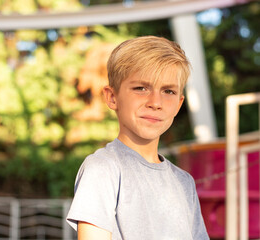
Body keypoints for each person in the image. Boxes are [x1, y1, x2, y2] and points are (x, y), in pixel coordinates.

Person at [66, 36, 209, 240]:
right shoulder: (103, 169)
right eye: (141, 88)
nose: (155, 102)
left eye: (168, 91)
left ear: (178, 104)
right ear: (112, 97)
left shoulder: (184, 182)